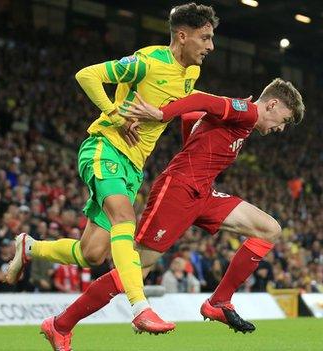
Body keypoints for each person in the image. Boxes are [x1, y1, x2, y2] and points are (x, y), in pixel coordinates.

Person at [3, 2, 219, 347]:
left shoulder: (191, 73)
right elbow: (86, 75)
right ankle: (140, 307)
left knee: (92, 253)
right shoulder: (146, 63)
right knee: (124, 218)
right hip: (106, 148)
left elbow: (182, 106)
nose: (210, 46)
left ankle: (31, 248)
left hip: (132, 166)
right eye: (205, 38)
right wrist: (115, 114)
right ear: (183, 35)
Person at [42, 78, 304, 346]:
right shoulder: (246, 111)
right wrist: (161, 114)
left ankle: (219, 301)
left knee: (269, 229)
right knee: (136, 269)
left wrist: (193, 143)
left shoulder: (245, 119)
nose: (281, 128)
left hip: (203, 192)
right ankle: (60, 325)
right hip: (177, 191)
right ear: (272, 104)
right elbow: (200, 102)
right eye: (284, 119)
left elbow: (192, 115)